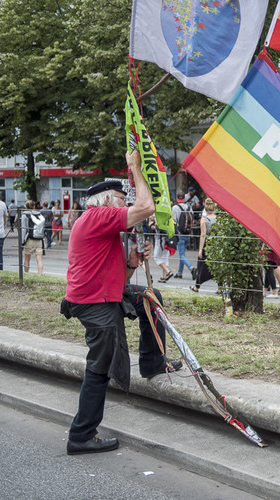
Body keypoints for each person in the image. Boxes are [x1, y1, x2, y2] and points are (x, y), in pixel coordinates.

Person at [61, 150, 182, 456]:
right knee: (100, 367)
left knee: (151, 299)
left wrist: (130, 263)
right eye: (119, 196)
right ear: (104, 200)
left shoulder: (102, 225)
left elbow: (119, 277)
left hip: (102, 293)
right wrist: (135, 169)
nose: (124, 202)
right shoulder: (99, 217)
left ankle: (153, 362)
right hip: (94, 301)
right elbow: (145, 206)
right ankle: (81, 435)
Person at [190, 197, 217, 293]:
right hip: (217, 245)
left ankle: (197, 287)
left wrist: (200, 249)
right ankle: (220, 288)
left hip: (208, 245)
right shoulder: (219, 219)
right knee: (217, 266)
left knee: (201, 266)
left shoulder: (204, 219)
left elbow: (203, 235)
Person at [171, 191, 196, 280]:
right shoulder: (189, 207)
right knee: (182, 253)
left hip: (180, 234)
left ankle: (191, 268)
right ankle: (179, 272)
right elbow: (192, 220)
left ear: (177, 198)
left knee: (181, 254)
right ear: (184, 198)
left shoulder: (175, 208)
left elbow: (175, 221)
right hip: (188, 233)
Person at [21, 200, 45, 275]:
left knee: (27, 258)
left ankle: (26, 274)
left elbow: (24, 229)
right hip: (39, 240)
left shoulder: (25, 215)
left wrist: (22, 241)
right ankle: (40, 275)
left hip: (29, 239)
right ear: (34, 206)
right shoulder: (40, 215)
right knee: (39, 260)